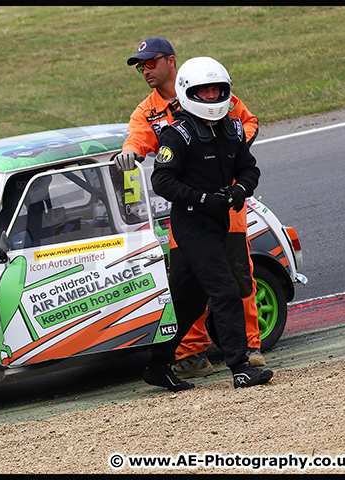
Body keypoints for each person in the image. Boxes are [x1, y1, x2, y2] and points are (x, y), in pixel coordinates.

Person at [114, 37, 264, 379]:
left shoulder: (214, 92)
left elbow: (246, 126)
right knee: (204, 289)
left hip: (228, 211)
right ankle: (198, 354)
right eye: (140, 66)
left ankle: (249, 347)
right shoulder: (150, 113)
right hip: (191, 214)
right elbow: (138, 142)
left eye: (150, 63)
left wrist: (236, 172)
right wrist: (131, 154)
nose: (144, 71)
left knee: (233, 280)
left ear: (170, 62)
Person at [145, 56, 272, 390]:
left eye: (218, 91)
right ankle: (241, 367)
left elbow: (250, 168)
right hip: (191, 224)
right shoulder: (178, 134)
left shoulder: (231, 128)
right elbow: (162, 181)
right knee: (225, 288)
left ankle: (157, 366)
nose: (213, 97)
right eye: (206, 92)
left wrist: (240, 190)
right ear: (190, 93)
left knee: (188, 302)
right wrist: (201, 199)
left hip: (219, 223)